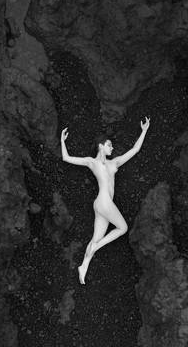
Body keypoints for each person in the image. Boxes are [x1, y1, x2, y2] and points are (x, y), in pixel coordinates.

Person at [61, 117, 150, 284]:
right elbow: (66, 158)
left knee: (95, 239)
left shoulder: (114, 163)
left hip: (101, 205)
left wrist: (144, 130)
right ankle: (96, 247)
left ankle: (83, 266)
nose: (112, 147)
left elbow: (135, 149)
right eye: (109, 145)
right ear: (101, 146)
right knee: (123, 228)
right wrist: (62, 140)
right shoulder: (92, 162)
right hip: (104, 202)